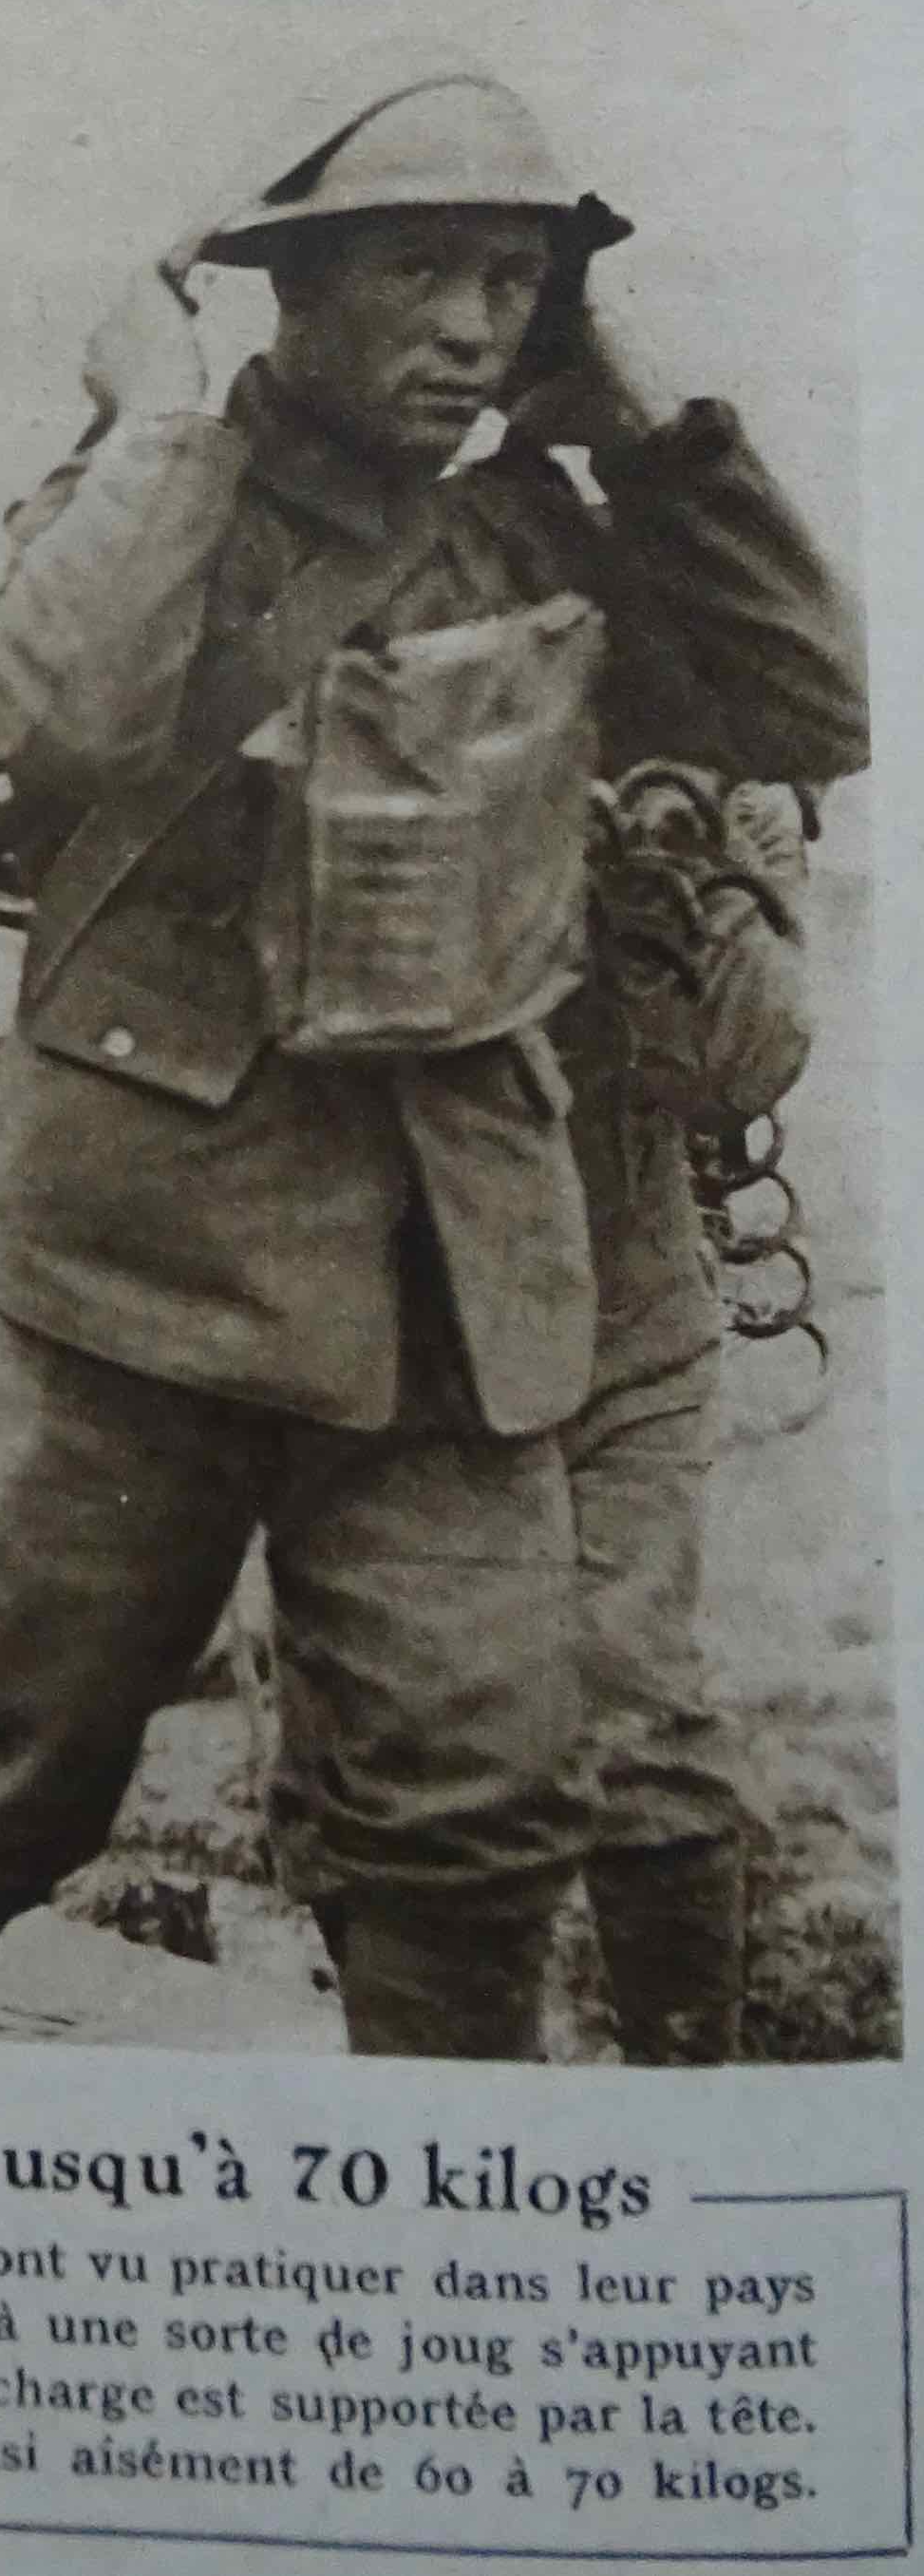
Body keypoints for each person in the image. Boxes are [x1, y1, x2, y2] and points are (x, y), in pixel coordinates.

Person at [0, 64, 867, 2061]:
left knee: (474, 1815)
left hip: (450, 1284)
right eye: (419, 271)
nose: (472, 325)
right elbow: (52, 718)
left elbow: (810, 710)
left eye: (512, 280)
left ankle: (437, 2199)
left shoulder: (548, 533)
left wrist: (651, 431)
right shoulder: (152, 499)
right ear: (293, 289)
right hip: (135, 1276)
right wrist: (156, 417)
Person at [546, 775, 815, 2058]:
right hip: (392, 1314)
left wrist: (684, 848)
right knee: (393, 1740)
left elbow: (738, 1062)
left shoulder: (719, 774)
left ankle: (685, 2091)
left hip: (618, 1307)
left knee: (634, 1702)